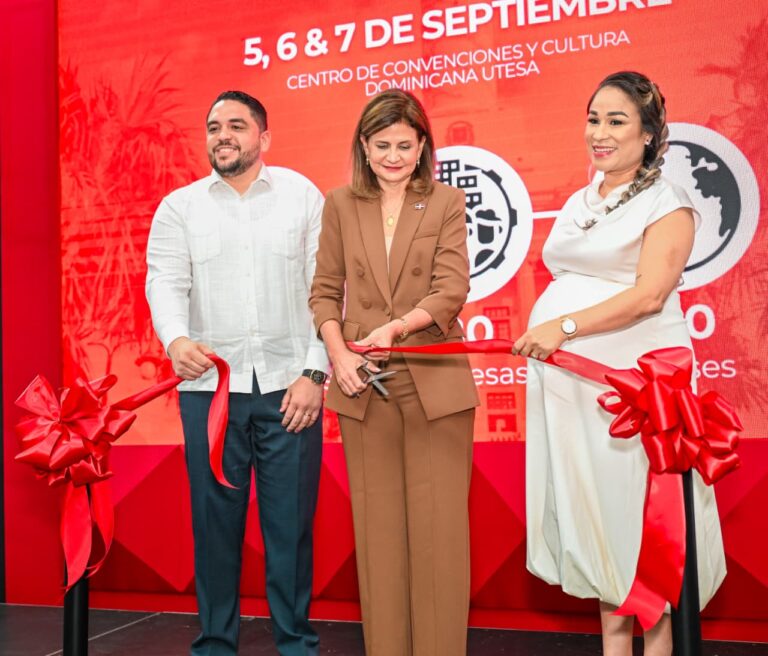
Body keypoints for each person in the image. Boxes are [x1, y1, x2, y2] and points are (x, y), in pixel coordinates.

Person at [514, 71, 726, 656]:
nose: (599, 133)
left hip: (633, 389)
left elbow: (649, 295)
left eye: (617, 121)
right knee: (603, 530)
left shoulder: (669, 201)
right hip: (574, 393)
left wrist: (565, 326)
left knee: (643, 529)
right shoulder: (584, 199)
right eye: (593, 118)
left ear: (650, 134)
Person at [146, 90, 328, 656]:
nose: (223, 135)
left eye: (237, 125)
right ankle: (215, 645)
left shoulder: (302, 196)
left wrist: (315, 372)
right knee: (215, 526)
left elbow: (328, 288)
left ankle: (295, 643)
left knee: (289, 530)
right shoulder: (180, 207)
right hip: (210, 393)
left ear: (263, 138)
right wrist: (175, 339)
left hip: (290, 390)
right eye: (213, 126)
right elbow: (165, 282)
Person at [309, 89, 479, 656]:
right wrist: (339, 354)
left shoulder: (447, 201)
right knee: (379, 543)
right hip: (362, 385)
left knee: (438, 541)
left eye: (405, 145)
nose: (393, 156)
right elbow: (325, 294)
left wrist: (397, 328)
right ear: (363, 145)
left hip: (433, 380)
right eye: (382, 145)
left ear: (423, 145)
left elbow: (451, 289)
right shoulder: (339, 204)